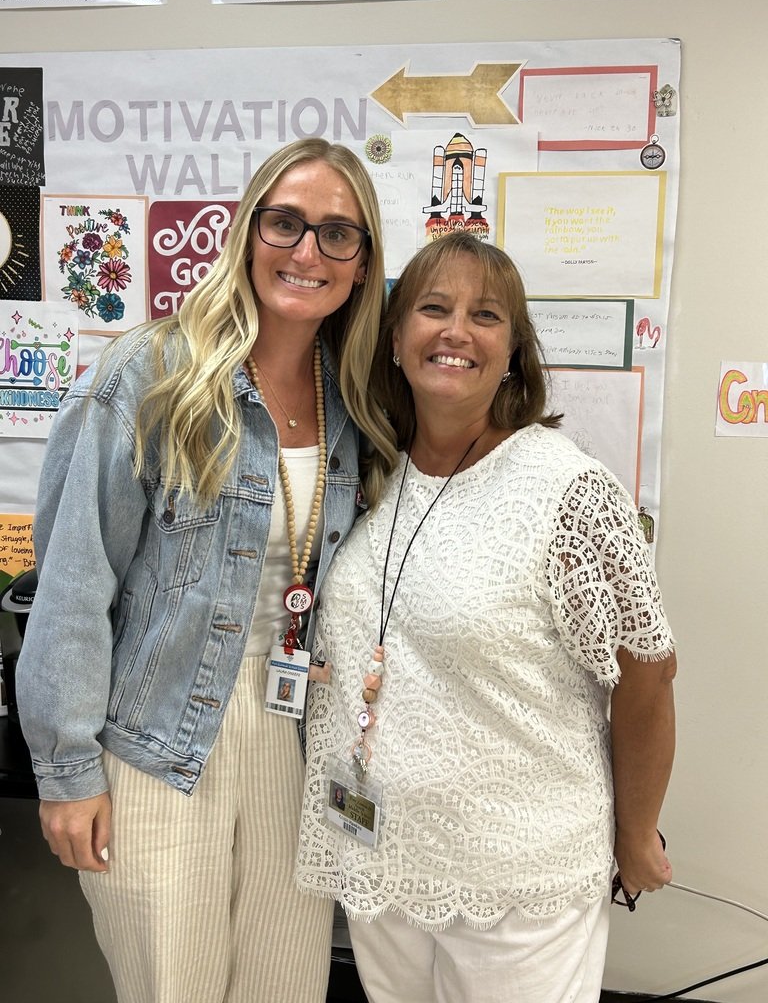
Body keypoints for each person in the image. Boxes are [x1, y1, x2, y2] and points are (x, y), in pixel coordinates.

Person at [16, 137, 389, 1003]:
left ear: (365, 264)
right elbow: (73, 583)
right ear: (245, 232)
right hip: (154, 744)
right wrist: (66, 771)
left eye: (338, 234)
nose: (307, 252)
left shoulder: (362, 398)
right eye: (286, 223)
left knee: (284, 988)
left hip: (298, 745)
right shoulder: (151, 374)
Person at [296, 231, 676, 1003]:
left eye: (487, 316)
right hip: (383, 858)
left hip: (516, 878)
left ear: (514, 351)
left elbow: (649, 670)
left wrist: (637, 835)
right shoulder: (370, 475)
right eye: (433, 308)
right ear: (396, 338)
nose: (457, 331)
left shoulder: (569, 492)